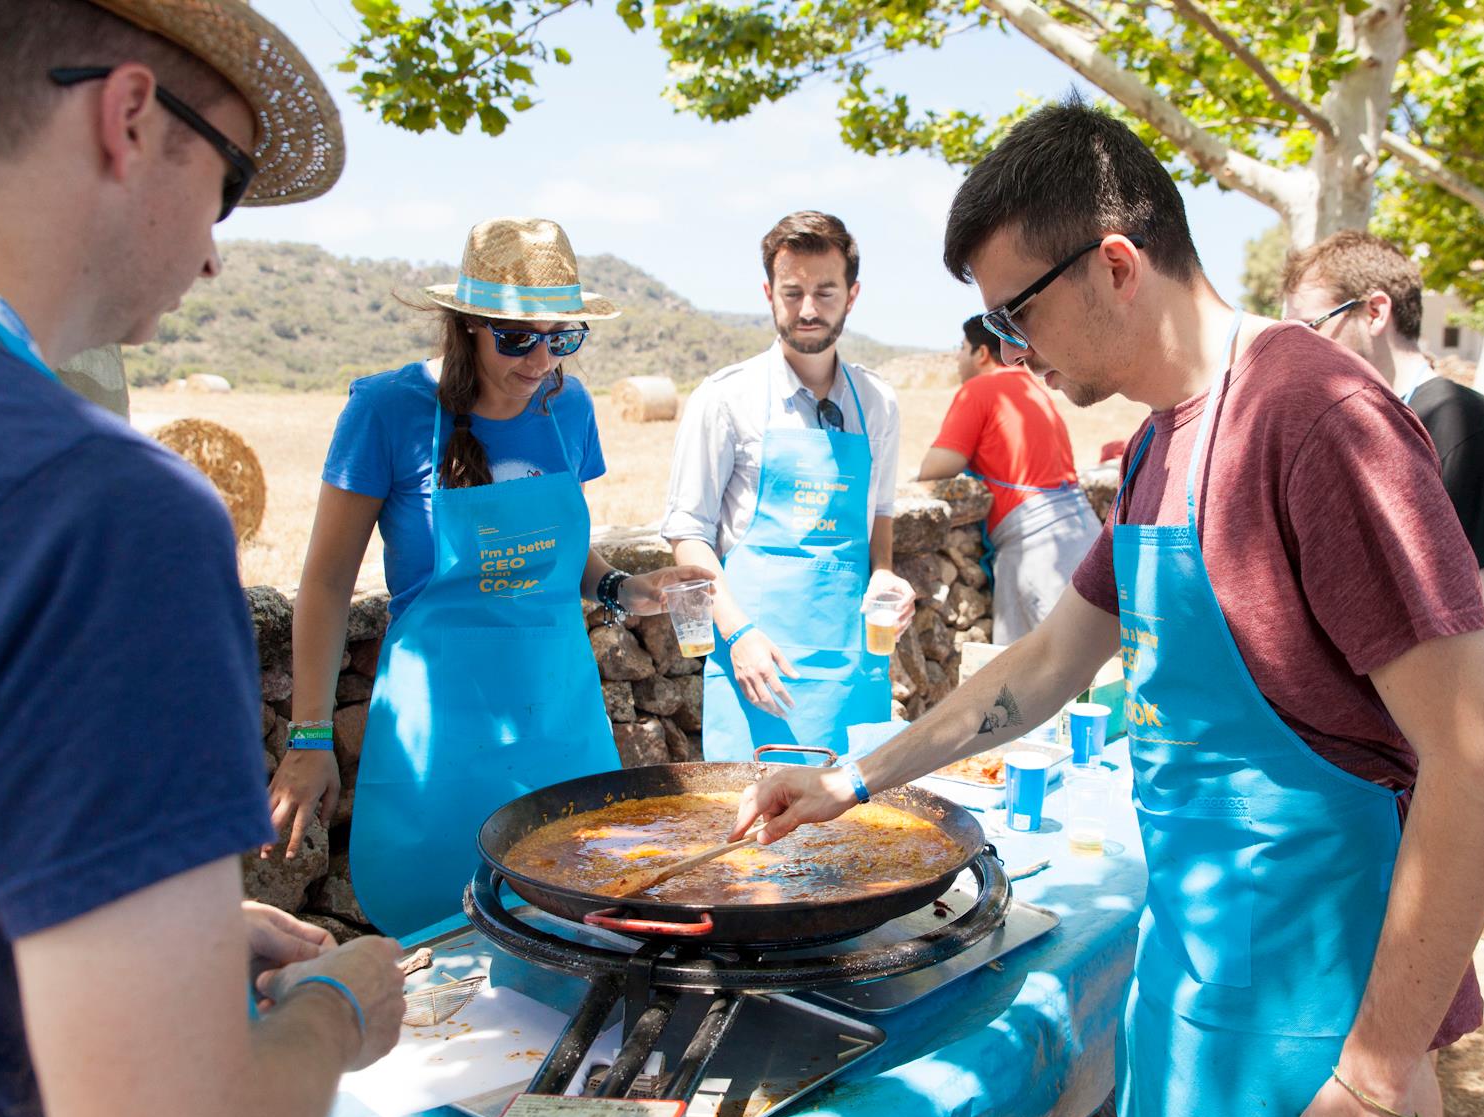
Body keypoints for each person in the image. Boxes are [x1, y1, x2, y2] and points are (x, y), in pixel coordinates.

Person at [730, 99, 1484, 1117]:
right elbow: (1053, 657)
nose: (1011, 347)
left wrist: (1373, 1074)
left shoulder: (1313, 418)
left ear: (1112, 264)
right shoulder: (1162, 439)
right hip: (1193, 981)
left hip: (1310, 1017)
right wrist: (855, 779)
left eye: (1017, 310)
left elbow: (1475, 763)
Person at [0, 3, 410, 1117]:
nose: (214, 252)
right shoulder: (101, 510)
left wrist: (170, 928)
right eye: (229, 181)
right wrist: (339, 1013)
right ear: (131, 116)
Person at [266, 216, 712, 937]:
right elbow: (323, 583)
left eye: (562, 336)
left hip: (560, 720)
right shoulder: (387, 410)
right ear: (467, 325)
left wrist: (623, 588)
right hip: (440, 740)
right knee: (445, 942)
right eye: (517, 337)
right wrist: (311, 737)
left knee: (581, 923)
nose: (540, 359)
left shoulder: (571, 408)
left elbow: (566, 554)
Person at [1279, 231, 1484, 907]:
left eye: (1312, 328)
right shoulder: (1368, 425)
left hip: (1435, 781)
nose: (1300, 352)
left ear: (1375, 311)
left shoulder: (1467, 427)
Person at [661, 211, 911, 759]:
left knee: (857, 839)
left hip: (853, 671)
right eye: (793, 291)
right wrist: (739, 635)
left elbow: (882, 511)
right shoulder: (724, 398)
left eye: (825, 291)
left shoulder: (878, 403)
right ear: (769, 292)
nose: (808, 309)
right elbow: (688, 533)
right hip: (756, 669)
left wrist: (887, 575)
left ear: (853, 294)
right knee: (750, 836)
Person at [917, 314, 1102, 643]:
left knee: (1032, 675)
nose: (958, 358)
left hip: (1037, 549)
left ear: (982, 354)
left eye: (962, 348)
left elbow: (936, 467)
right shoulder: (1032, 387)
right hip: (1083, 531)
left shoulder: (982, 388)